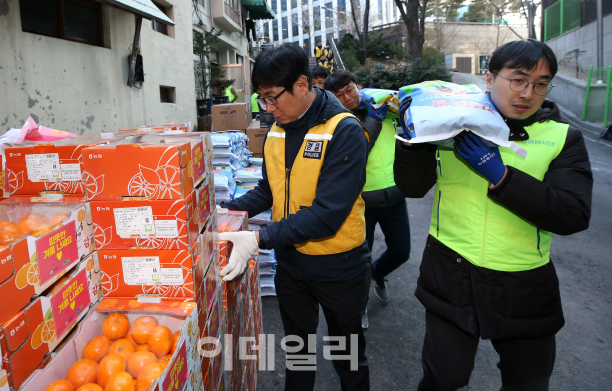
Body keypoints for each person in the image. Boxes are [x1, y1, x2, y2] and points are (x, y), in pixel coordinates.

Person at [394, 39, 593, 391]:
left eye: (541, 83)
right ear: (489, 78)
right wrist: (409, 139)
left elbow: (572, 214)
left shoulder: (563, 137)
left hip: (525, 286)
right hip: (451, 274)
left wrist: (502, 177)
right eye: (518, 79)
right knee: (444, 379)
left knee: (528, 383)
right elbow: (412, 188)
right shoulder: (449, 124)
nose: (528, 93)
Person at [219, 43, 372, 391]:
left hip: (340, 267)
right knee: (298, 352)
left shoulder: (343, 130)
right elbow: (270, 189)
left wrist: (258, 238)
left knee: (346, 355)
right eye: (262, 99)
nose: (269, 109)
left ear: (302, 85)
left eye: (273, 97)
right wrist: (228, 211)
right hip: (292, 265)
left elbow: (327, 215)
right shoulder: (277, 128)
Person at [324, 71, 411, 325]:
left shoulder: (383, 109)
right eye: (339, 95)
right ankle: (359, 305)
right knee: (360, 258)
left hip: (395, 195)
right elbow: (358, 150)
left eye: (350, 90)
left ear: (358, 86)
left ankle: (378, 274)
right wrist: (372, 120)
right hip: (361, 202)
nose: (347, 97)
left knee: (401, 251)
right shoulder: (338, 122)